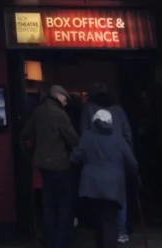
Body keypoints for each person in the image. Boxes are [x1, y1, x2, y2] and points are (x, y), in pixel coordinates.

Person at [20, 85, 79, 248]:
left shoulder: (38, 112)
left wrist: (31, 155)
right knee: (63, 208)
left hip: (43, 167)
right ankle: (61, 243)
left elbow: (25, 134)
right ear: (58, 96)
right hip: (61, 166)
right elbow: (74, 139)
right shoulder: (60, 114)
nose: (66, 102)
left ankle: (49, 241)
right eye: (65, 99)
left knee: (49, 208)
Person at [72, 109, 138, 248]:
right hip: (113, 186)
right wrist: (135, 178)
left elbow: (75, 158)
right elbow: (131, 162)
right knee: (110, 221)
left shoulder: (87, 136)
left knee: (98, 221)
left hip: (91, 186)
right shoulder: (118, 138)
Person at [81, 84, 133, 243]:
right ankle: (121, 231)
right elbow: (127, 133)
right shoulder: (118, 110)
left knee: (99, 202)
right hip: (117, 157)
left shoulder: (88, 109)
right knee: (119, 197)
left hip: (95, 158)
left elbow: (83, 132)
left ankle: (100, 231)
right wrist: (127, 153)